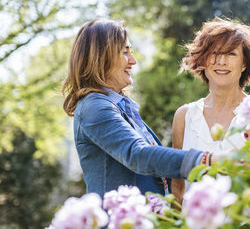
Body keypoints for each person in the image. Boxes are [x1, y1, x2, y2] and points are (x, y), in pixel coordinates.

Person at [62, 18, 216, 198]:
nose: (133, 61)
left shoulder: (118, 105)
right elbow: (139, 155)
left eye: (131, 51)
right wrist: (207, 159)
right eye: (125, 52)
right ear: (101, 58)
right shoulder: (94, 106)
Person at [171, 17, 250, 203]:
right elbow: (177, 188)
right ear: (203, 60)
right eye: (214, 53)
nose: (221, 61)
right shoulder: (184, 116)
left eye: (231, 54)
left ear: (244, 64)